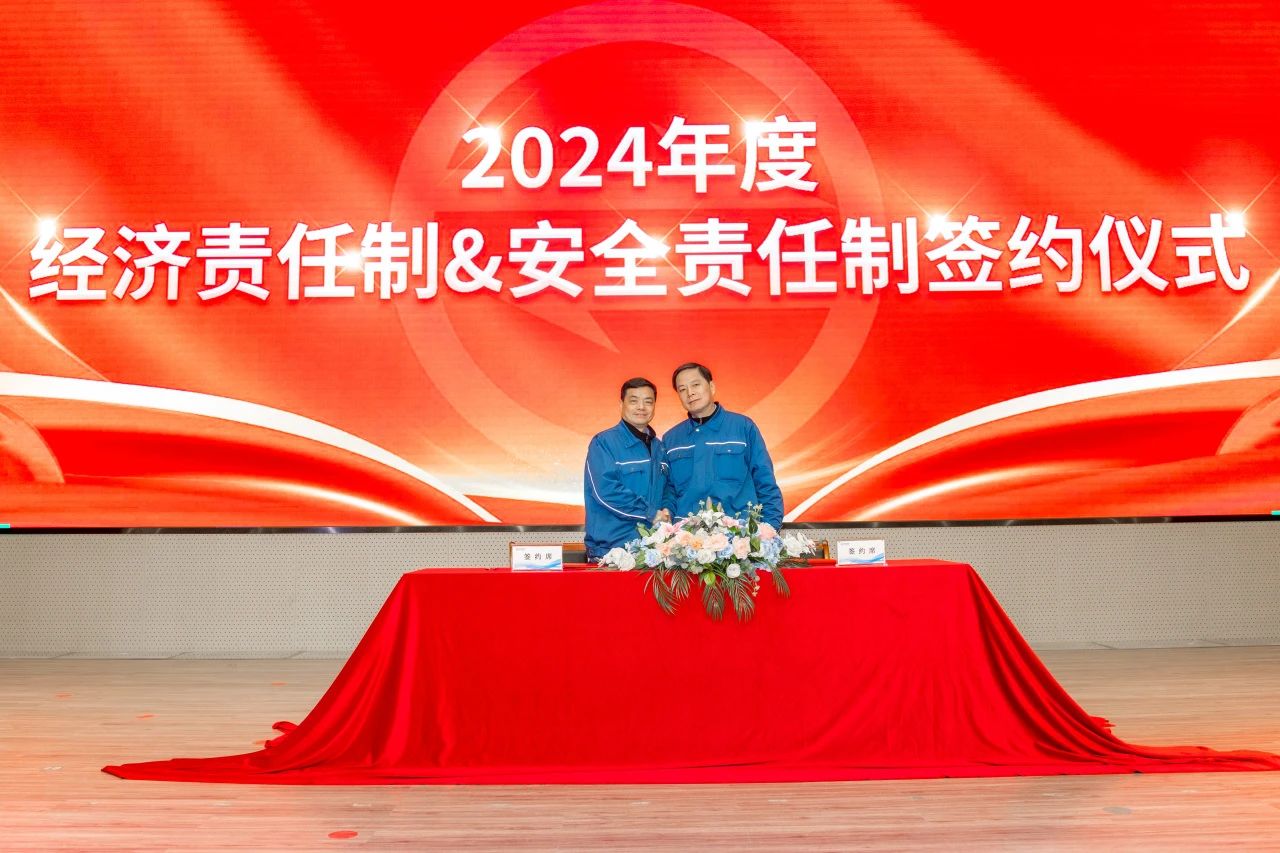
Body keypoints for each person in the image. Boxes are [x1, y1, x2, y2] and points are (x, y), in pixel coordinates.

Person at [662, 362, 783, 528]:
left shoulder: (743, 427)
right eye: (682, 389)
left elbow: (765, 481)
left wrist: (770, 528)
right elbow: (668, 491)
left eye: (696, 385)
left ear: (711, 387)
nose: (690, 393)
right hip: (687, 535)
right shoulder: (671, 439)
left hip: (739, 534)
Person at [583, 377, 671, 561]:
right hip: (612, 551)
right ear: (621, 404)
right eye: (634, 401)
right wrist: (650, 513)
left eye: (648, 402)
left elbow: (668, 487)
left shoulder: (659, 447)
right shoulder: (604, 443)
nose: (641, 407)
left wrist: (668, 510)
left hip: (654, 550)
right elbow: (606, 491)